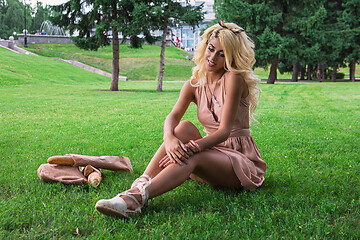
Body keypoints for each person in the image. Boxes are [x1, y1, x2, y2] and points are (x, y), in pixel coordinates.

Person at [95, 21, 267, 218]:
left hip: (238, 161)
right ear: (204, 47)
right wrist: (169, 138)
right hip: (210, 154)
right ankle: (140, 184)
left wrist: (190, 148)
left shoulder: (233, 79)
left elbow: (224, 131)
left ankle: (134, 200)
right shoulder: (193, 85)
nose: (212, 57)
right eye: (211, 49)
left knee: (193, 155)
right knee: (184, 126)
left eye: (222, 54)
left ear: (230, 57)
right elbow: (173, 116)